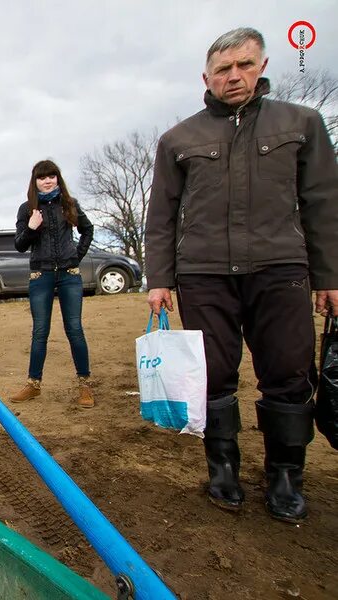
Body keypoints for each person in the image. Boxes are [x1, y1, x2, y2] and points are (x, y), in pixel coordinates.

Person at [145, 27, 338, 522]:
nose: (234, 77)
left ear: (262, 66)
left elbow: (322, 204)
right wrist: (160, 280)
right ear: (205, 77)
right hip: (205, 273)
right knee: (213, 374)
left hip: (281, 269)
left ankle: (286, 474)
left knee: (290, 373)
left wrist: (329, 276)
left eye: (245, 66)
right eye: (224, 69)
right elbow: (161, 215)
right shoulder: (179, 139)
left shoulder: (301, 124)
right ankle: (223, 468)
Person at [10, 159, 95, 408]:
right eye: (42, 177)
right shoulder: (27, 209)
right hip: (41, 276)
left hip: (69, 275)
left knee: (74, 329)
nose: (47, 181)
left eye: (52, 176)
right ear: (34, 181)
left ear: (58, 178)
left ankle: (85, 386)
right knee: (40, 332)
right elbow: (19, 245)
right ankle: (33, 385)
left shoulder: (69, 204)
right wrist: (32, 227)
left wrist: (75, 256)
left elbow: (87, 230)